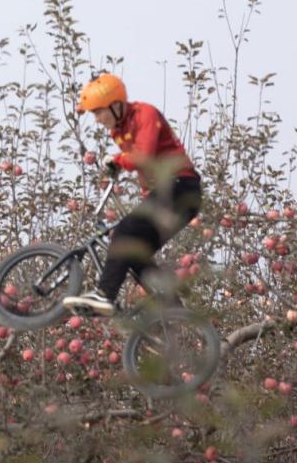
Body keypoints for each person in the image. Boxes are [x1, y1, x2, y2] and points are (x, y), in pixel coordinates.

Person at [62, 73, 202, 316]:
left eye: (98, 112)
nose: (97, 120)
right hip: (166, 192)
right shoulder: (119, 130)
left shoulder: (144, 114)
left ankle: (105, 294)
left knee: (125, 232)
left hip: (180, 187)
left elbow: (144, 156)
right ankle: (175, 312)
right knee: (135, 252)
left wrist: (117, 160)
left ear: (115, 105)